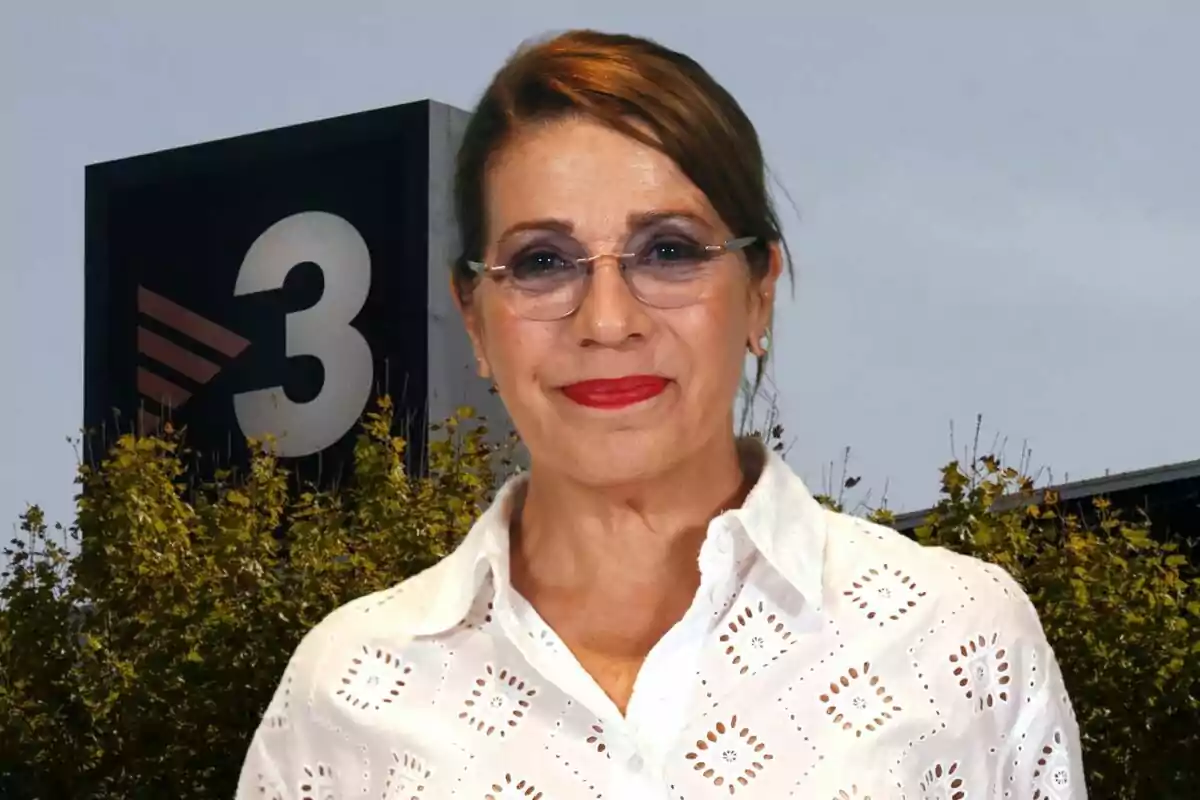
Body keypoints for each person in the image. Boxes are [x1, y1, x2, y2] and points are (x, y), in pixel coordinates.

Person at [237, 29, 1085, 799]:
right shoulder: (344, 689)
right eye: (542, 261)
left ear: (759, 294)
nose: (607, 321)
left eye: (669, 251)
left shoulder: (959, 637)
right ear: (475, 320)